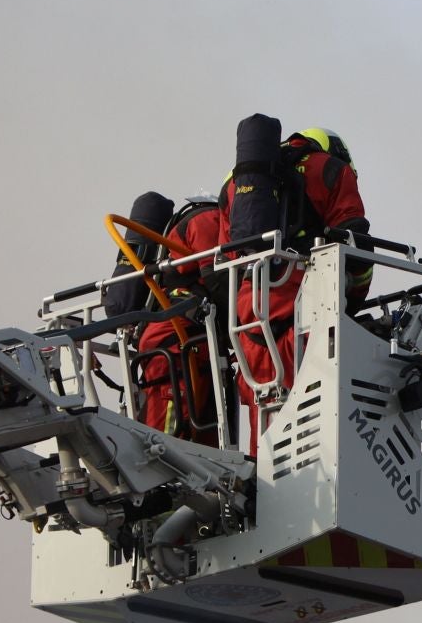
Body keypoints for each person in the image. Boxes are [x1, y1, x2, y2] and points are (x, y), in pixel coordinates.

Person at [225, 126, 371, 447]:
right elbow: (356, 244)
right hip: (300, 300)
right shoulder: (331, 170)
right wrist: (352, 304)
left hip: (247, 314)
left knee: (262, 411)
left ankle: (262, 486)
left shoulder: (238, 184)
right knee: (307, 412)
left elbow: (225, 257)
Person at [133, 196, 228, 443]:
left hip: (190, 333)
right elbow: (215, 277)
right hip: (177, 334)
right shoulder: (208, 219)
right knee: (168, 438)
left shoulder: (208, 219)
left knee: (201, 431)